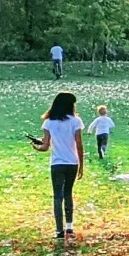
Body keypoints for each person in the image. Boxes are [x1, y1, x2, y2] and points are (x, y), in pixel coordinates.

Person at [32, 92, 87, 240]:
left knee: (57, 196)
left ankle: (59, 230)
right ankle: (69, 226)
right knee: (68, 193)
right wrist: (81, 165)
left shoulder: (49, 122)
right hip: (72, 162)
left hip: (57, 163)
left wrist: (36, 146)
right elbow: (79, 144)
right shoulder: (76, 121)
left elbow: (45, 146)